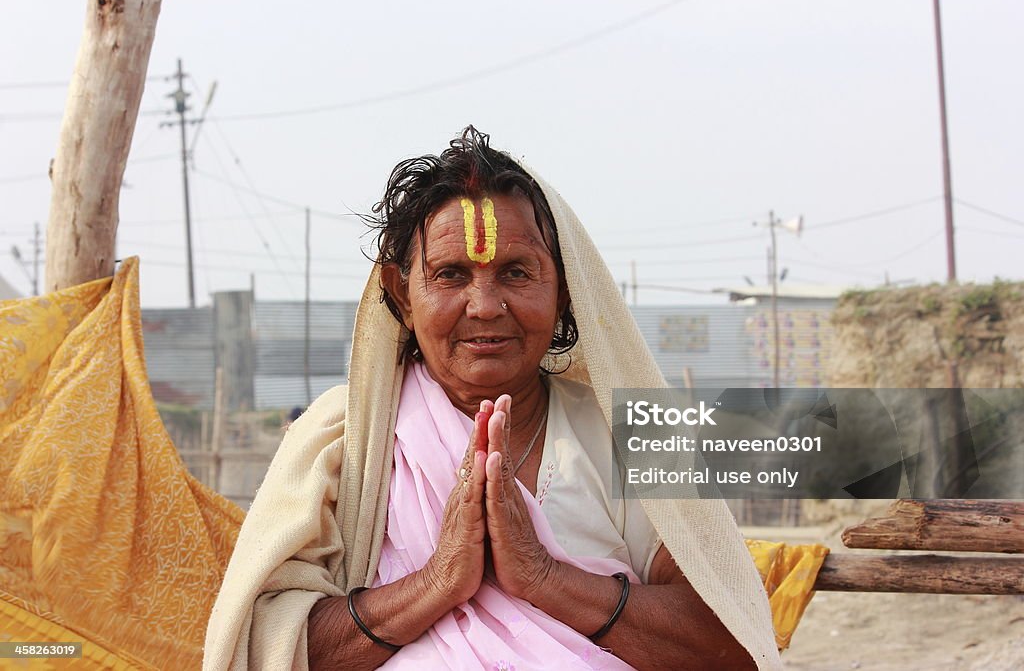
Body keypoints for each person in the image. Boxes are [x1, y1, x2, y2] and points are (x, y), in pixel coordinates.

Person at [204, 127, 781, 669]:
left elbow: (731, 643)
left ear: (563, 291)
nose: (484, 305)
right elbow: (266, 648)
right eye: (451, 274)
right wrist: (433, 585)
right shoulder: (341, 440)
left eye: (516, 273)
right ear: (401, 293)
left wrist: (545, 577)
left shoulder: (627, 435)